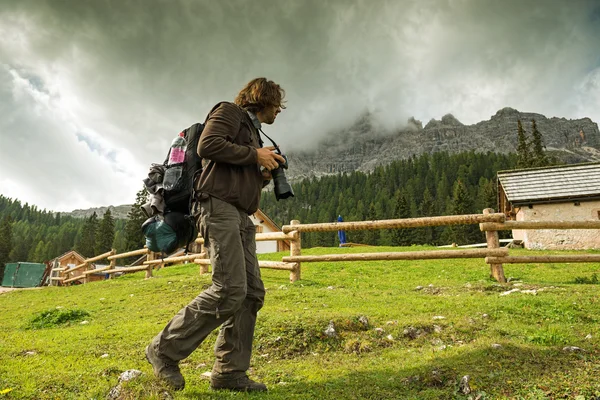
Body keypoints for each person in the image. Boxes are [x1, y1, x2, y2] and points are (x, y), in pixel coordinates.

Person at [145, 77, 286, 392]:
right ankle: (163, 350)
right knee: (229, 289)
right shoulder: (229, 112)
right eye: (277, 104)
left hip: (240, 214)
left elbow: (233, 172)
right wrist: (255, 156)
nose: (279, 111)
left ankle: (229, 372)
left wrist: (261, 173)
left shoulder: (252, 132)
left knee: (250, 294)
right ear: (264, 98)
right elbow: (206, 145)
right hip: (217, 208)